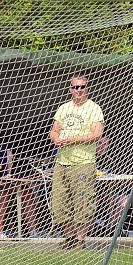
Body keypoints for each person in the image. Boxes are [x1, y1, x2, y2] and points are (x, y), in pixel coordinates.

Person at [50, 75, 104, 249]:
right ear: (70, 89)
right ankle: (69, 237)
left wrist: (73, 139)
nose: (79, 90)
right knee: (59, 202)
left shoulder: (94, 108)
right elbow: (54, 131)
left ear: (87, 88)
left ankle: (80, 240)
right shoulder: (63, 108)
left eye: (82, 87)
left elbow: (97, 134)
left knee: (83, 202)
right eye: (75, 87)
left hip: (83, 162)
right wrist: (56, 138)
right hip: (62, 162)